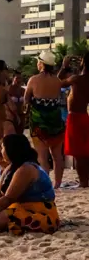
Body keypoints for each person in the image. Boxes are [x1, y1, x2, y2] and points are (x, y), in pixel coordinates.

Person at [0, 134, 59, 236]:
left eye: (3, 148)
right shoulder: (11, 167)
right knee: (2, 209)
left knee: (9, 212)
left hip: (42, 213)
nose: (1, 152)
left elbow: (8, 198)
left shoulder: (26, 169)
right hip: (24, 208)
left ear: (11, 149)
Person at [24, 50, 65, 188]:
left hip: (39, 123)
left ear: (41, 63)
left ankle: (46, 183)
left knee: (42, 156)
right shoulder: (57, 81)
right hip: (56, 122)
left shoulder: (33, 80)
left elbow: (26, 100)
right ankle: (57, 183)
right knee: (57, 156)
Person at [58, 53, 89, 187]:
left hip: (75, 116)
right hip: (84, 115)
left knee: (77, 152)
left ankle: (83, 182)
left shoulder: (76, 79)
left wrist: (64, 67)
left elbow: (58, 82)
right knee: (85, 150)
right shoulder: (83, 79)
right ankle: (85, 180)